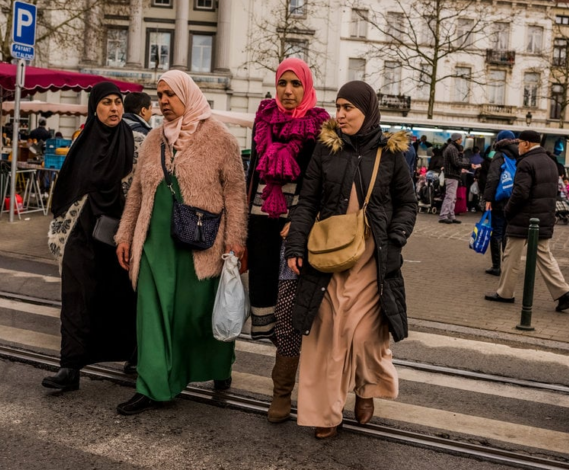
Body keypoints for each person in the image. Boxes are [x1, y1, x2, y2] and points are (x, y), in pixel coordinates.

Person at [284, 81, 417, 439]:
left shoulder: (391, 154)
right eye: (337, 107)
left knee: (364, 338)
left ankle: (366, 390)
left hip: (373, 263)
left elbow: (408, 203)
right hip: (328, 261)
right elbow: (307, 202)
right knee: (326, 338)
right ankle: (326, 414)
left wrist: (397, 235)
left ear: (367, 111)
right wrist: (295, 246)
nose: (339, 115)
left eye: (348, 109)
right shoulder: (325, 150)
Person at [113, 70, 247, 415]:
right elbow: (137, 192)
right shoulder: (154, 139)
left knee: (195, 315)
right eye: (159, 95)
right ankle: (153, 385)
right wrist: (125, 235)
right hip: (154, 241)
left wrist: (235, 241)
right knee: (151, 313)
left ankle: (217, 368)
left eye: (170, 94)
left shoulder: (221, 138)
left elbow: (234, 194)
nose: (163, 102)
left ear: (188, 94)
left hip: (200, 244)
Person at [42, 82, 141, 392]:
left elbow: (144, 190)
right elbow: (67, 188)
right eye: (107, 103)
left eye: (118, 102)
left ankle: (135, 355)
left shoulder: (138, 142)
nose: (114, 108)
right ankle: (69, 367)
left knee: (126, 298)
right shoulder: (81, 142)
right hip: (82, 234)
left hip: (121, 237)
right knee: (75, 298)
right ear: (94, 107)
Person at [245, 58, 329, 423]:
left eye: (296, 84)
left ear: (306, 86)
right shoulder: (263, 118)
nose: (289, 91)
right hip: (261, 225)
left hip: (295, 232)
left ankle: (281, 393)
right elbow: (252, 175)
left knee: (290, 310)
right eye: (283, 84)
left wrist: (297, 222)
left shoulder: (319, 126)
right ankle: (286, 384)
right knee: (266, 305)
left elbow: (320, 185)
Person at [485, 130, 569, 312]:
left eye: (519, 143)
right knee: (545, 256)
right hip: (543, 217)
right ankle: (564, 292)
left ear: (526, 143)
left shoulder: (526, 163)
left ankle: (505, 293)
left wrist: (508, 210)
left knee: (511, 256)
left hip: (524, 218)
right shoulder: (550, 161)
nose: (517, 146)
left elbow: (520, 192)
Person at [482, 130, 518, 277]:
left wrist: (488, 199)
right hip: (514, 198)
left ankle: (496, 266)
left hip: (500, 198)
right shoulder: (520, 154)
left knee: (496, 230)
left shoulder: (499, 155)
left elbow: (493, 178)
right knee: (507, 232)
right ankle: (508, 264)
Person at [438, 133, 468, 224]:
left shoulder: (451, 148)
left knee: (452, 197)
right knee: (450, 197)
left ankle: (451, 215)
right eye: (460, 139)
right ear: (457, 139)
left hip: (452, 175)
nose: (461, 140)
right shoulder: (452, 149)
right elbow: (456, 163)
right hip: (452, 176)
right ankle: (444, 215)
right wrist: (469, 165)